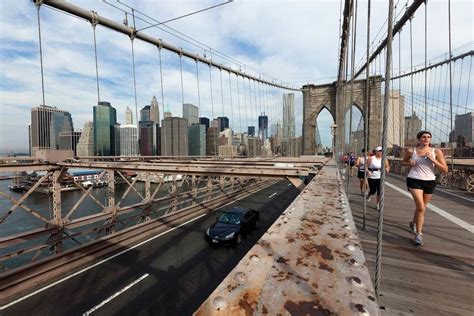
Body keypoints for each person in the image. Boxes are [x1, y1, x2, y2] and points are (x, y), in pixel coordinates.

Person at [402, 130, 448, 246]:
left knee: (420, 207)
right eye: (423, 137)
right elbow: (403, 162)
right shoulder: (411, 151)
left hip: (429, 181)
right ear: (419, 139)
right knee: (421, 208)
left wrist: (433, 160)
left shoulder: (436, 151)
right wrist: (409, 163)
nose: (426, 139)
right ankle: (419, 234)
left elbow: (445, 169)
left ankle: (413, 223)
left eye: (428, 137)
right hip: (414, 180)